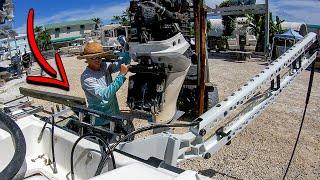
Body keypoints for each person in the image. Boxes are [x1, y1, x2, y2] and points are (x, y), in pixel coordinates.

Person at [78, 41, 131, 127]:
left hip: (114, 115)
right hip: (100, 120)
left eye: (99, 57)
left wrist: (128, 50)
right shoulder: (86, 78)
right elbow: (105, 95)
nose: (98, 60)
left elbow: (122, 63)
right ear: (87, 59)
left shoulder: (104, 66)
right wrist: (121, 75)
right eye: (94, 57)